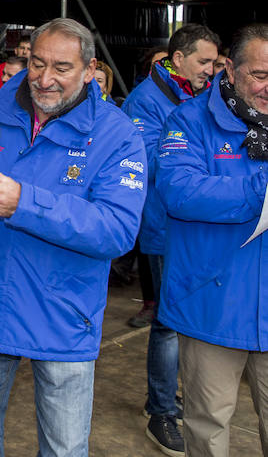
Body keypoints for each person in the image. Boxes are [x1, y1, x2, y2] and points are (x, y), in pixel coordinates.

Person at [0, 17, 146, 457]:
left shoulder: (118, 135)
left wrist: (25, 203)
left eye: (61, 68)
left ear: (89, 68)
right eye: (37, 63)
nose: (44, 78)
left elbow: (117, 228)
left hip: (63, 314)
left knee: (63, 447)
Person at [156, 23, 268, 457]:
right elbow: (178, 190)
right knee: (208, 428)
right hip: (211, 303)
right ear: (230, 68)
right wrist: (261, 190)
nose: (267, 87)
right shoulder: (190, 119)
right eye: (259, 75)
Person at [121, 23, 219, 455]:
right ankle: (161, 410)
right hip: (165, 227)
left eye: (216, 64)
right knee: (167, 324)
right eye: (204, 62)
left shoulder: (196, 95)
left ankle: (164, 396)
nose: (211, 71)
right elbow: (155, 167)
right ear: (177, 59)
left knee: (181, 322)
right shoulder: (146, 100)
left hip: (195, 227)